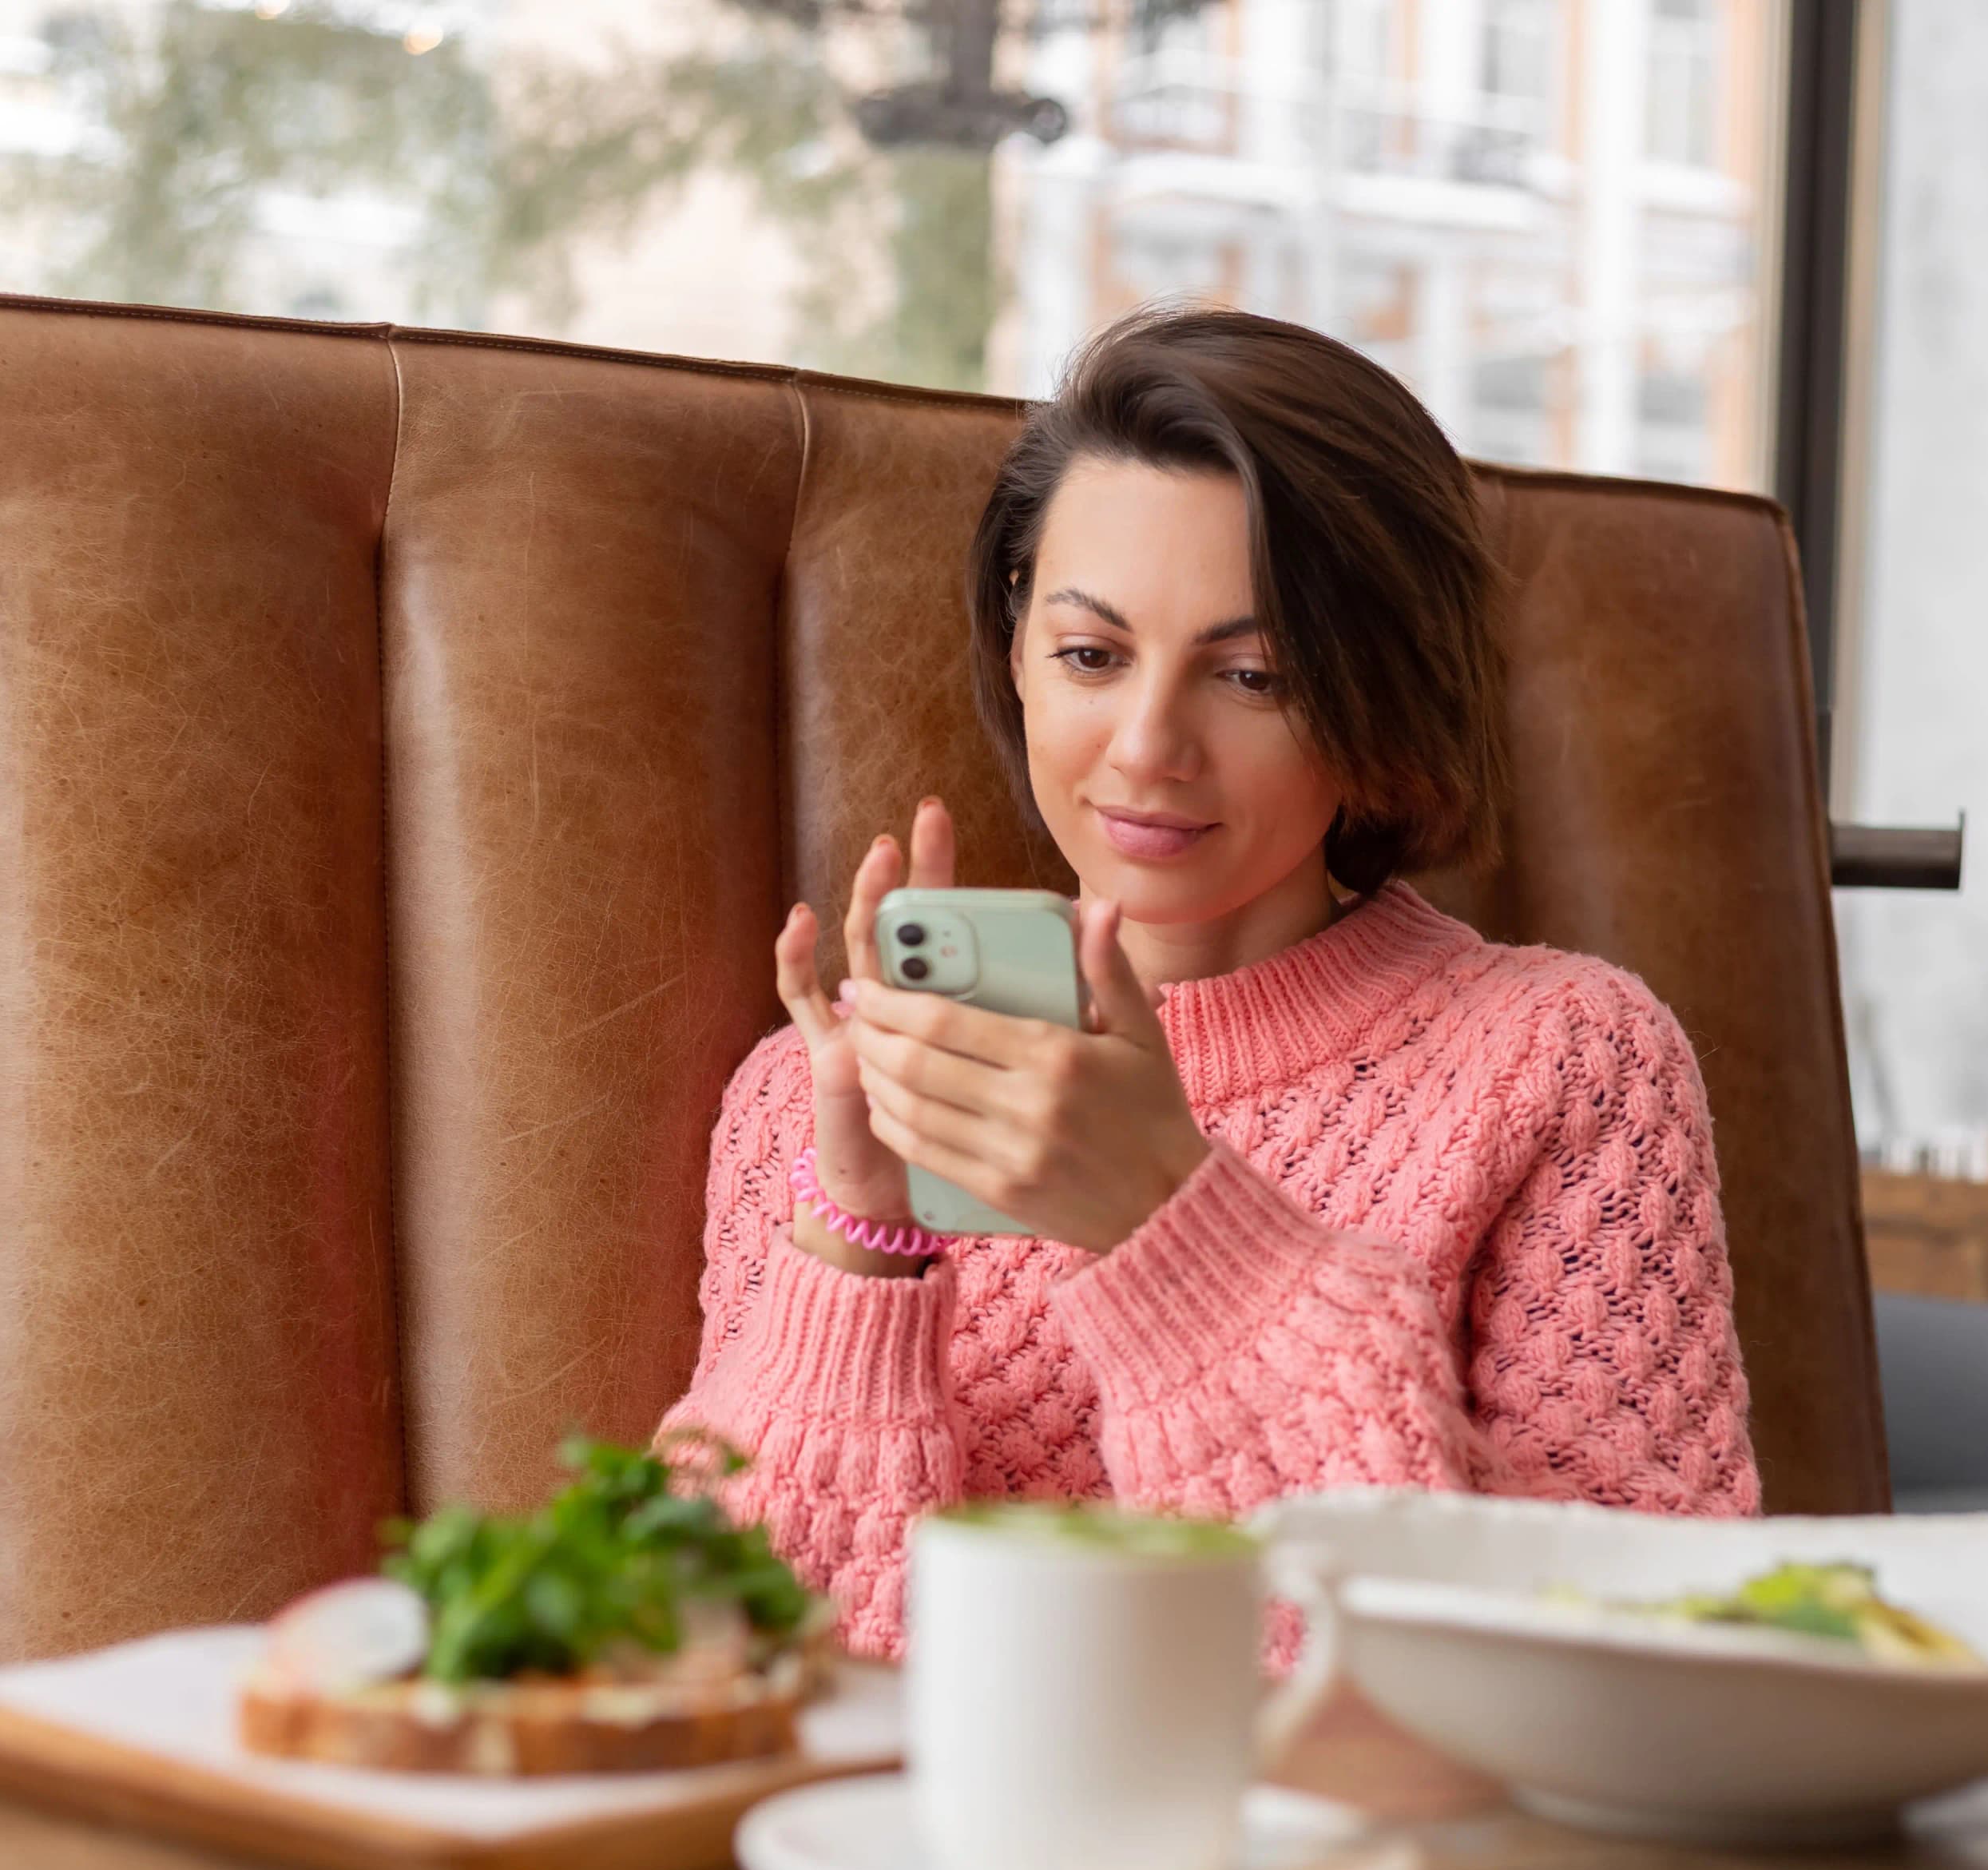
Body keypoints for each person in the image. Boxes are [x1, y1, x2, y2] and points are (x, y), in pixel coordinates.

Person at [663, 304, 1756, 1657]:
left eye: (1251, 675)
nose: (1148, 746)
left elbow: (1626, 1667)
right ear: (1015, 652)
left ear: (1376, 705)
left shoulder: (1564, 1060)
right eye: (1090, 655)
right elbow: (719, 1672)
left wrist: (1172, 1225)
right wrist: (860, 1251)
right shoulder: (808, 1100)